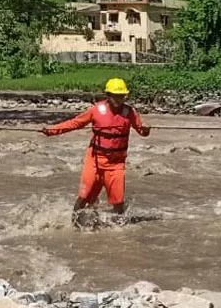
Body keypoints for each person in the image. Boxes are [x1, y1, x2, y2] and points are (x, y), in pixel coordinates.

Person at [40, 78, 151, 216]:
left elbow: (142, 131)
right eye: (115, 96)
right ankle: (75, 227)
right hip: (95, 161)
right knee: (84, 196)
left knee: (118, 202)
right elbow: (75, 123)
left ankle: (119, 232)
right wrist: (52, 130)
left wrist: (146, 130)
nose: (118, 99)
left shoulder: (130, 113)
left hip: (116, 163)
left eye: (121, 96)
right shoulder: (96, 111)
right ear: (108, 96)